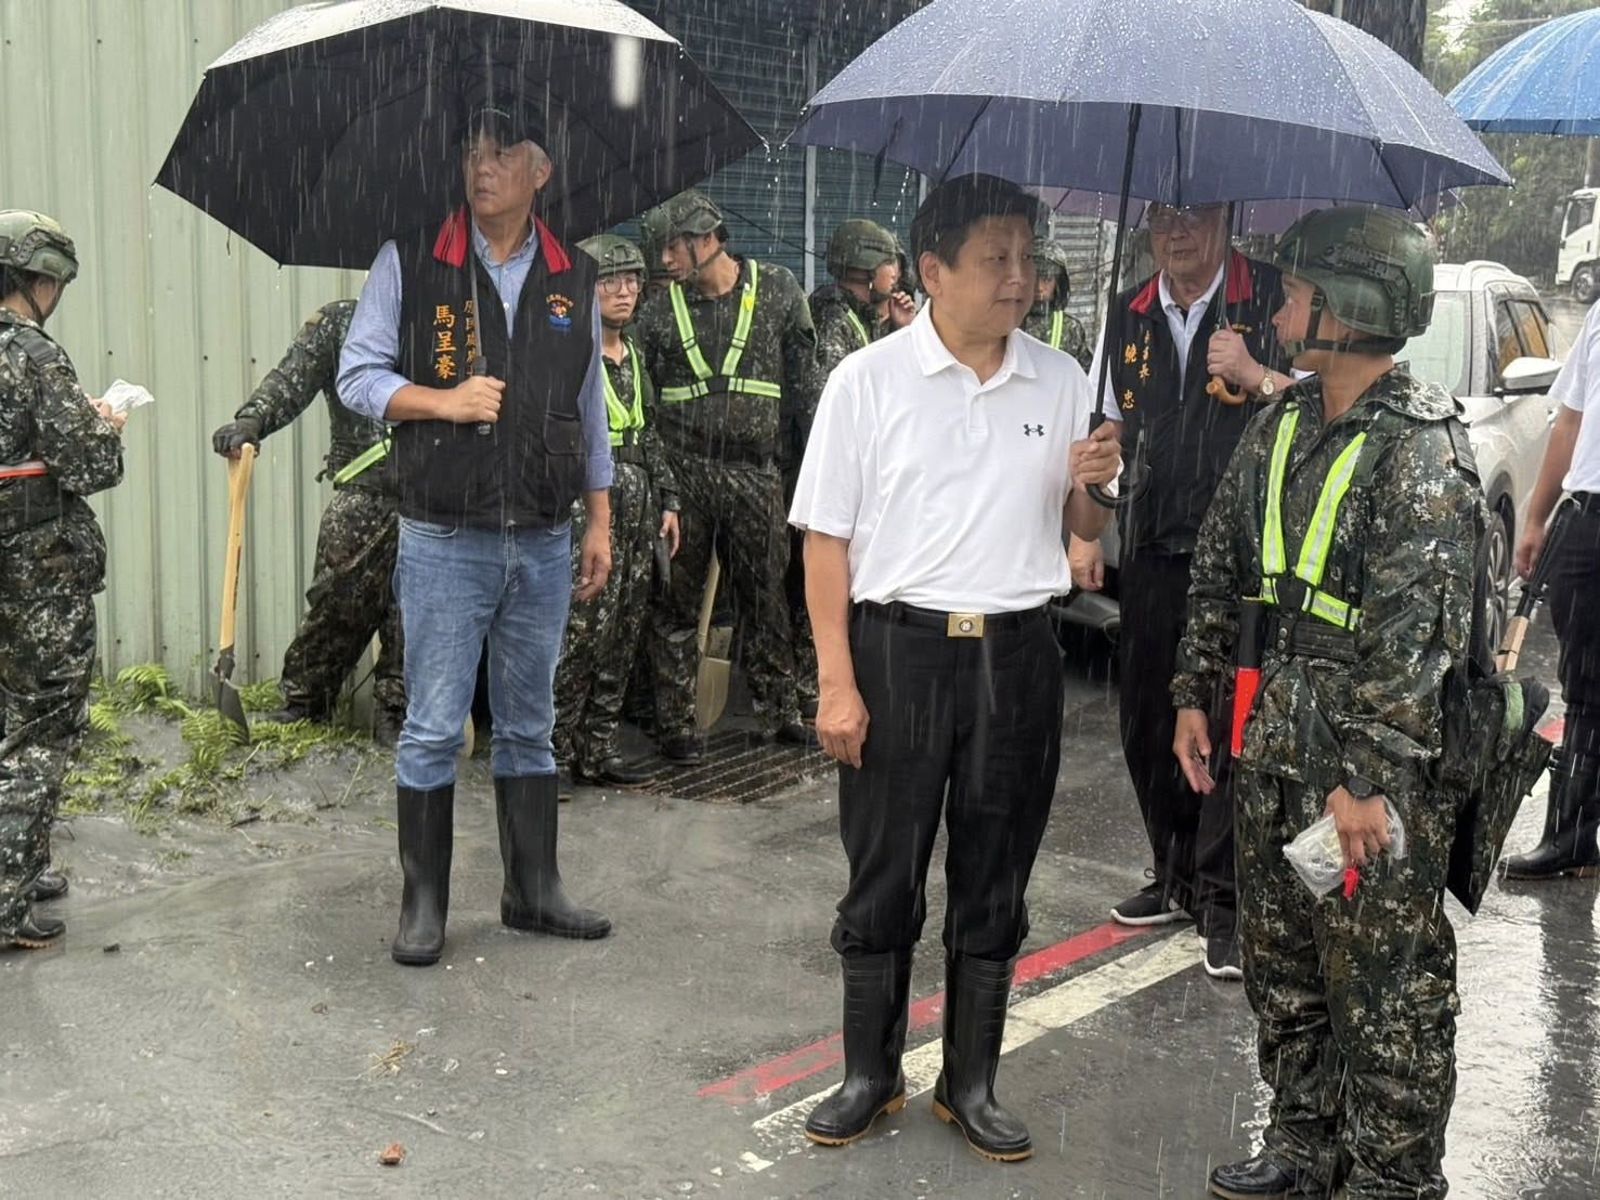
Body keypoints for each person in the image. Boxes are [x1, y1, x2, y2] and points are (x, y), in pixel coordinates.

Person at [790, 174, 1121, 1162]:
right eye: (995, 260)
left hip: (1017, 658)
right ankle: (871, 1072)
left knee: (995, 873)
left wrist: (1093, 491)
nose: (1019, 278)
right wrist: (837, 682)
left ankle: (968, 1081)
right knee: (883, 873)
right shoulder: (868, 382)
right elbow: (823, 545)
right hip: (898, 654)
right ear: (931, 270)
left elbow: (1080, 529)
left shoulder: (1060, 385)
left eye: (1026, 258)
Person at [1172, 207, 1480, 1200]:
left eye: (1298, 289)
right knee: (1285, 969)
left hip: (1362, 780)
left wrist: (1368, 783)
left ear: (1347, 308)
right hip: (1272, 752)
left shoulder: (1418, 446)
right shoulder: (1282, 424)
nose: (1279, 302)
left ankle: (1390, 1180)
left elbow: (1414, 636)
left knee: (1386, 994)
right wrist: (1191, 691)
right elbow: (1220, 569)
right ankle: (1303, 1145)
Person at [338, 97, 614, 967]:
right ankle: (424, 904)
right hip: (444, 538)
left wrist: (599, 517)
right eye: (472, 150)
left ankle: (533, 890)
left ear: (541, 172)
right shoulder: (414, 258)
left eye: (503, 153)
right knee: (431, 727)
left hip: (541, 534)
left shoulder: (575, 274)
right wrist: (441, 402)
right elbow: (356, 376)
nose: (482, 167)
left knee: (532, 726)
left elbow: (589, 408)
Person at [1075, 201, 1292, 980]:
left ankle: (1223, 900)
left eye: (1194, 215)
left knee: (1231, 730)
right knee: (1147, 716)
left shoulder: (1271, 300)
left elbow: (1327, 402)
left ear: (1227, 218)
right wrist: (1087, 530)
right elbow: (1108, 430)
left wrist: (1257, 374)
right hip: (1156, 545)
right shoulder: (1128, 312)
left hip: (1246, 557)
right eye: (1163, 216)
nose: (1178, 232)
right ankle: (1171, 871)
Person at [635, 189, 818, 752]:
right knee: (675, 603)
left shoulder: (781, 292)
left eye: (672, 247)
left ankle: (778, 709)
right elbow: (642, 405)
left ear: (707, 239)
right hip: (684, 472)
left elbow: (806, 393)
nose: (663, 261)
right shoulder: (658, 312)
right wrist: (663, 485)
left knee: (765, 596)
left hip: (756, 472)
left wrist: (806, 480)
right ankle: (676, 725)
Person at [0, 211, 128, 950]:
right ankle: (5, 898)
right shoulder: (35, 356)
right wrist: (102, 423)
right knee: (41, 726)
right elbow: (90, 466)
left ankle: (21, 861)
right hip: (33, 573)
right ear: (36, 280)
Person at [211, 300, 406, 743]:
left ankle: (398, 713)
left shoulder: (451, 318)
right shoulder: (342, 322)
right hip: (363, 486)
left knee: (418, 611)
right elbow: (292, 378)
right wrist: (253, 419)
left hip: (438, 492)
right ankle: (304, 702)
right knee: (338, 597)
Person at [552, 235, 680, 786]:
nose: (624, 291)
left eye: (632, 281)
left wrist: (669, 499)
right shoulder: (567, 358)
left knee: (623, 629)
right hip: (590, 509)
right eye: (610, 281)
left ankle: (598, 748)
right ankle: (552, 755)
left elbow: (649, 433)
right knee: (578, 630)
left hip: (639, 504)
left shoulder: (635, 357)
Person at [792, 218, 917, 717]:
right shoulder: (833, 320)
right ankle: (816, 685)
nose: (897, 273)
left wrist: (897, 330)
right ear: (867, 268)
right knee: (818, 587)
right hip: (827, 484)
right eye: (889, 263)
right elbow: (834, 406)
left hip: (849, 483)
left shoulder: (863, 317)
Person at [1501, 295, 1600, 880]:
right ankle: (1572, 838)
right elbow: (1571, 419)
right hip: (1589, 517)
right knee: (1584, 684)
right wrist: (1536, 518)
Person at [1021, 238, 1091, 371]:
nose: (1039, 287)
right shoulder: (1007, 321)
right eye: (1033, 277)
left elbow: (1084, 379)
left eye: (1046, 279)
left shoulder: (1071, 329)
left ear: (1058, 283)